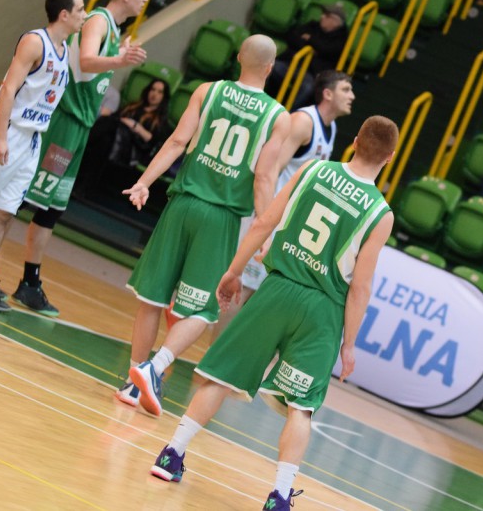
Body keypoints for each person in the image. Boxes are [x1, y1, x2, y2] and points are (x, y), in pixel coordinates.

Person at [147, 116, 398, 511]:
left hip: (278, 288)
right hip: (323, 311)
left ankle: (172, 453)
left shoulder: (314, 169)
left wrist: (233, 272)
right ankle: (279, 496)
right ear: (390, 157)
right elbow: (360, 288)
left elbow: (265, 221)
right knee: (301, 408)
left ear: (355, 142)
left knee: (221, 375)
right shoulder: (381, 214)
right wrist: (349, 344)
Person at [115, 35, 291, 415]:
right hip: (222, 218)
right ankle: (154, 367)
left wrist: (145, 181)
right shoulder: (278, 116)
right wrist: (265, 231)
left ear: (239, 57)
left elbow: (178, 141)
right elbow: (263, 178)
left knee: (151, 298)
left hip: (182, 205)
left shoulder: (208, 91)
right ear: (271, 67)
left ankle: (133, 384)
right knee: (204, 310)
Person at [15, 0, 149, 316]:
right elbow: (87, 59)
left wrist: (117, 54)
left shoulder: (112, 28)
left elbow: (90, 67)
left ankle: (30, 283)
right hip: (63, 122)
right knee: (18, 198)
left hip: (79, 125)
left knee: (50, 209)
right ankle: (1, 277)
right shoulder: (98, 21)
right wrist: (120, 60)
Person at [0, 0, 86, 312]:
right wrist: (1, 137)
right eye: (81, 10)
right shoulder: (34, 42)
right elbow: (9, 87)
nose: (85, 16)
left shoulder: (65, 48)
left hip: (31, 141)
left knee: (3, 214)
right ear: (64, 14)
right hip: (8, 132)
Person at [234, 70, 355, 309]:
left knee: (258, 293)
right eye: (346, 90)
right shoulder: (303, 122)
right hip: (267, 215)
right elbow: (270, 168)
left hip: (285, 222)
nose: (352, 96)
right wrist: (264, 218)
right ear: (327, 94)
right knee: (243, 287)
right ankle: (214, 347)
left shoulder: (330, 129)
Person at [77, 78, 172, 199]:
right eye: (153, 89)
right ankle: (84, 187)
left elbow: (152, 141)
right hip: (114, 142)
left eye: (159, 92)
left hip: (133, 150)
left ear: (164, 97)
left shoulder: (161, 121)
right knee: (105, 139)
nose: (154, 94)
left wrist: (134, 125)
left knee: (108, 126)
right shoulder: (133, 106)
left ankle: (82, 143)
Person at [269, 3, 349, 101]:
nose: (322, 16)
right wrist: (311, 47)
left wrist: (310, 39)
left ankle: (290, 113)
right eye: (323, 14)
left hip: (312, 73)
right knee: (270, 67)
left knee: (308, 87)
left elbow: (328, 50)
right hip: (291, 63)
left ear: (336, 22)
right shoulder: (313, 26)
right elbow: (291, 36)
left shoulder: (341, 39)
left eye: (327, 15)